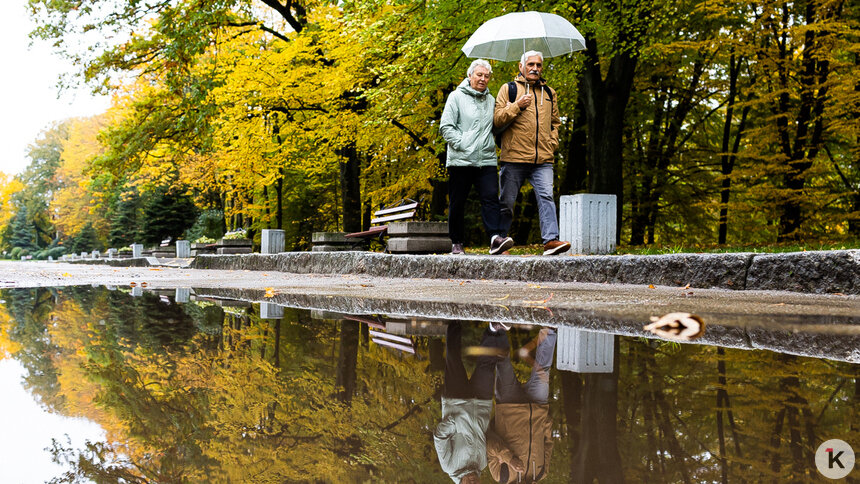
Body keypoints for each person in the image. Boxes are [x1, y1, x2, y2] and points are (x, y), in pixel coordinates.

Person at [493, 51, 571, 256]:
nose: (535, 68)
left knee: (546, 197)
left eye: (538, 65)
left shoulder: (549, 92)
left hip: (543, 158)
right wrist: (517, 105)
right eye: (530, 64)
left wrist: (552, 143)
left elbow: (555, 123)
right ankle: (500, 242)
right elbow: (497, 120)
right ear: (521, 66)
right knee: (507, 202)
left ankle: (551, 241)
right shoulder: (508, 89)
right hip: (514, 157)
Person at [440, 59, 515, 256]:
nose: (483, 79)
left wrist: (507, 112)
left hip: (487, 160)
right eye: (479, 75)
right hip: (461, 160)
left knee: (491, 199)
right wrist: (464, 144)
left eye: (486, 76)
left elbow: (497, 128)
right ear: (470, 76)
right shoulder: (456, 97)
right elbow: (446, 127)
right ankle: (456, 242)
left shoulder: (492, 101)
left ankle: (495, 239)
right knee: (458, 202)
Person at [434, 321, 509, 483]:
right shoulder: (482, 464)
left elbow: (439, 436)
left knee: (453, 357)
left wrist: (456, 421)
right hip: (481, 403)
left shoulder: (449, 466)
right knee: (487, 366)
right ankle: (493, 329)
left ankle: (455, 319)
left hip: (456, 401)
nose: (474, 482)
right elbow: (487, 434)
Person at [486, 327, 557, 483]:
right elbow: (548, 443)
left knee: (503, 363)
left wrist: (508, 458)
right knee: (544, 369)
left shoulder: (501, 476)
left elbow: (489, 445)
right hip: (537, 407)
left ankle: (498, 326)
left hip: (509, 406)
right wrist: (545, 422)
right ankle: (550, 328)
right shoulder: (541, 473)